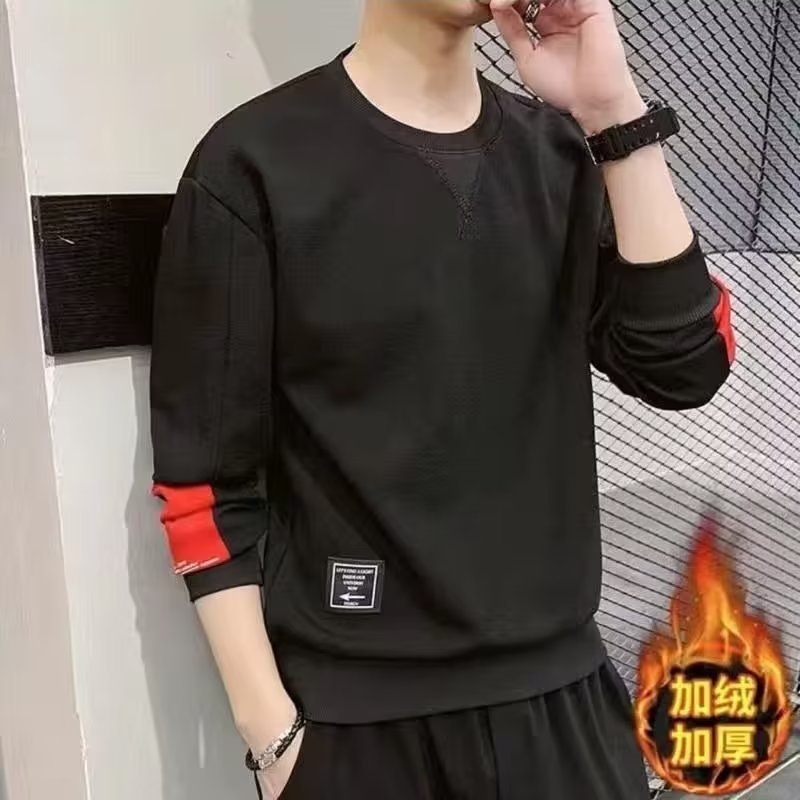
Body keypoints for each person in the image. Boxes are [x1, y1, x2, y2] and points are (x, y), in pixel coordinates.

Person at [149, 0, 735, 797]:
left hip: (566, 712)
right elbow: (206, 483)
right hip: (359, 728)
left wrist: (613, 116)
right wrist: (276, 742)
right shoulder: (255, 164)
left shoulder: (561, 154)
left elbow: (685, 366)